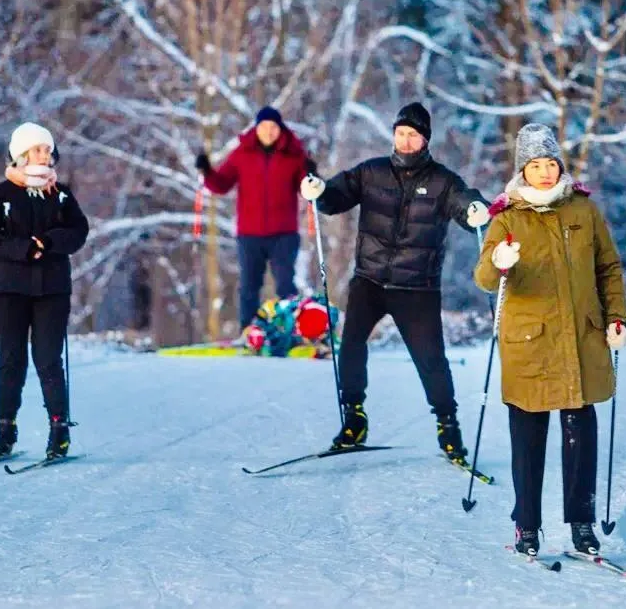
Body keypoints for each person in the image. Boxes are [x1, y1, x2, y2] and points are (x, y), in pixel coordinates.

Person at [300, 102, 491, 462]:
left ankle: (448, 428)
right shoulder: (371, 173)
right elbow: (334, 197)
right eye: (401, 133)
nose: (405, 141)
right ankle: (354, 418)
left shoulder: (442, 181)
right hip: (369, 281)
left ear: (425, 140)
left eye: (413, 135)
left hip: (417, 288)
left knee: (431, 360)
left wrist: (475, 209)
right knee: (351, 345)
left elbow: (466, 203)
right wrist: (318, 191)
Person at [473, 123, 626, 558]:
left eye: (550, 163)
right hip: (529, 344)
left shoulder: (583, 210)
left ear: (560, 165)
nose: (544, 172)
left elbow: (608, 269)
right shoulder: (505, 215)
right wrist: (500, 261)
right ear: (523, 170)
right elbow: (485, 278)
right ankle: (527, 527)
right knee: (528, 439)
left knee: (581, 436)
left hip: (581, 338)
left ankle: (582, 525)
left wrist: (616, 317)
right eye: (535, 165)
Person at [0, 122, 90, 460]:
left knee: (48, 360)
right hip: (8, 288)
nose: (46, 155)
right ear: (22, 154)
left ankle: (59, 432)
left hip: (51, 288)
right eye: (39, 149)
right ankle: (5, 431)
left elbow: (79, 231)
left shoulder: (61, 194)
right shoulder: (1, 195)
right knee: (10, 360)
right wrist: (23, 248)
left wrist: (50, 242)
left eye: (48, 149)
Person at [195, 107, 316, 334]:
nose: (269, 132)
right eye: (264, 127)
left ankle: (289, 330)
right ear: (256, 128)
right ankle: (249, 331)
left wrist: (312, 175)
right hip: (249, 234)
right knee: (249, 286)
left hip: (284, 234)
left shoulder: (294, 154)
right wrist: (206, 171)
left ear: (280, 130)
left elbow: (307, 190)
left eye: (273, 127)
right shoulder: (242, 154)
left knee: (285, 285)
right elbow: (221, 184)